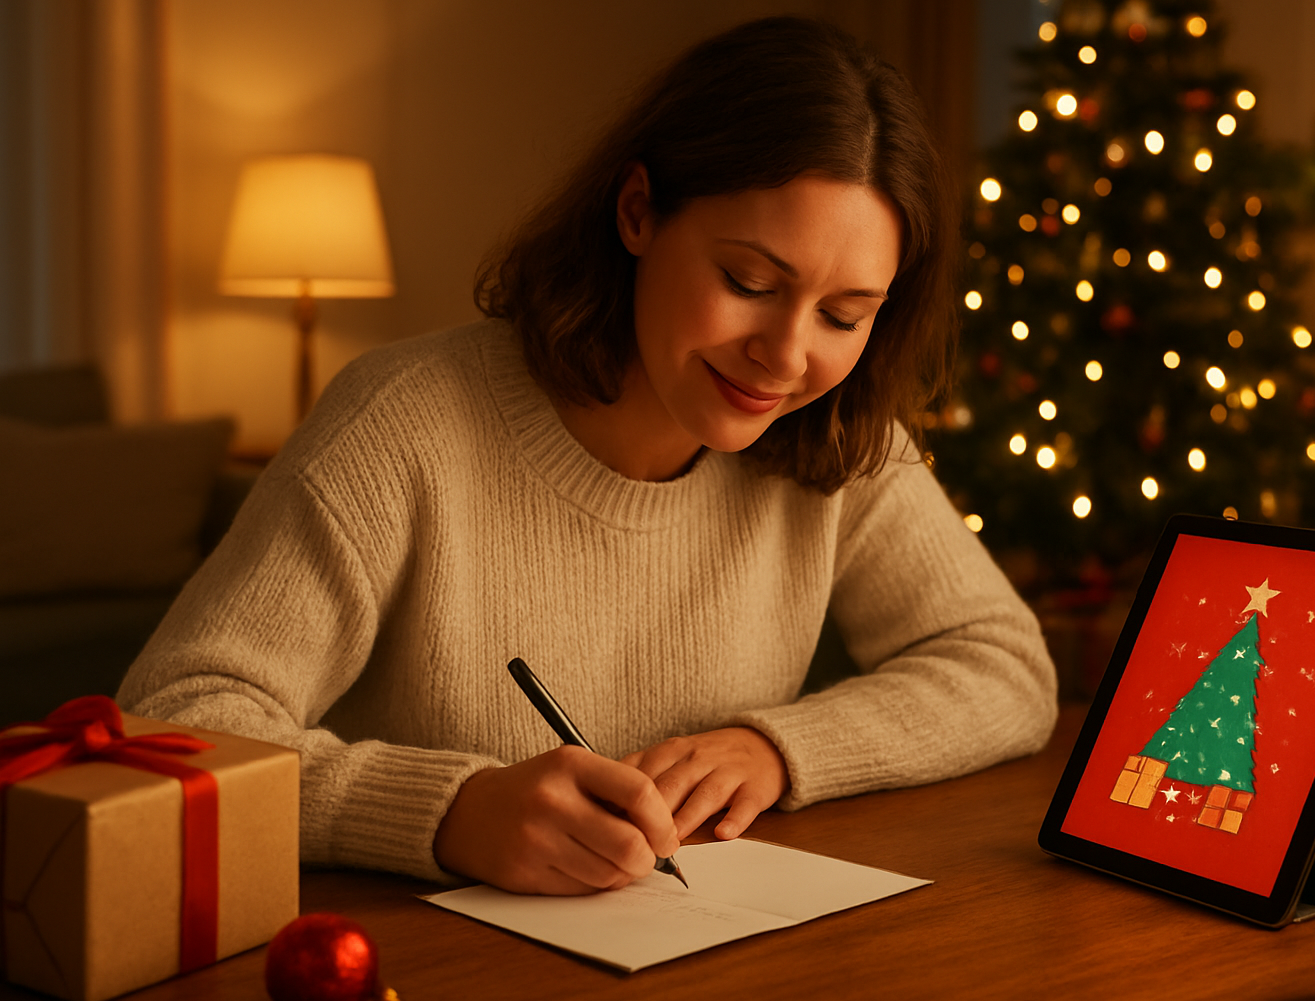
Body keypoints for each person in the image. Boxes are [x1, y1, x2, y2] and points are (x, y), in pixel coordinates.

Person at [119, 16, 1057, 896]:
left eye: (845, 314)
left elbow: (1006, 669)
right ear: (639, 211)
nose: (787, 353)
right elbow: (172, 720)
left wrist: (774, 749)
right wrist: (446, 812)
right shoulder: (404, 422)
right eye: (749, 282)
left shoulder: (835, 436)